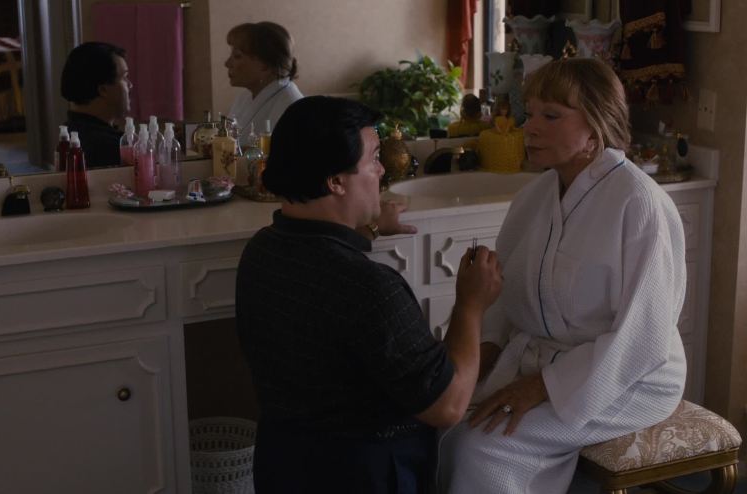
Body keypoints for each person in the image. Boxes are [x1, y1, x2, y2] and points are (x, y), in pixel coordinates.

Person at [437, 57, 687, 494]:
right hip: (537, 358)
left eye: (551, 116)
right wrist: (480, 356)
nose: (529, 128)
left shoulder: (639, 203)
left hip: (627, 375)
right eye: (530, 113)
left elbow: (643, 335)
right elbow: (506, 295)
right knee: (444, 421)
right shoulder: (533, 198)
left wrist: (544, 387)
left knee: (482, 447)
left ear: (596, 125)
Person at [236, 96, 503, 493]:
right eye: (374, 158)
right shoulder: (370, 288)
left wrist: (368, 227)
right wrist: (471, 304)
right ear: (335, 181)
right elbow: (447, 405)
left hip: (284, 465)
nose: (382, 170)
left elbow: (325, 282)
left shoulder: (261, 251)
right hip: (364, 474)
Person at [225, 22, 303, 145]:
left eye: (237, 56)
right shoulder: (244, 97)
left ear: (265, 65)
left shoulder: (292, 107)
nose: (227, 63)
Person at [60, 42, 131, 168]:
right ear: (103, 90)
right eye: (124, 77)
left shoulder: (69, 134)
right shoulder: (110, 147)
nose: (130, 85)